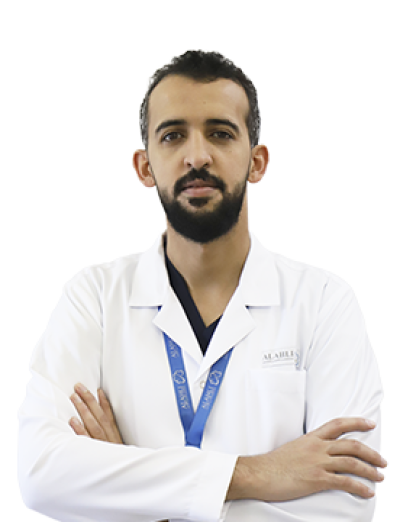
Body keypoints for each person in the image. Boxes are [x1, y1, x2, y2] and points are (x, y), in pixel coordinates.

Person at [18, 49, 387, 522]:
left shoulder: (325, 305)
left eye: (220, 133)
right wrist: (261, 472)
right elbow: (41, 472)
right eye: (173, 136)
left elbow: (346, 504)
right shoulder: (94, 298)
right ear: (144, 167)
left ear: (257, 161)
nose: (197, 156)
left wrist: (125, 490)